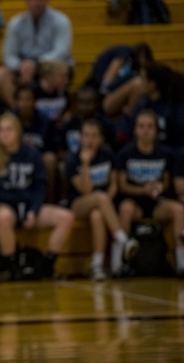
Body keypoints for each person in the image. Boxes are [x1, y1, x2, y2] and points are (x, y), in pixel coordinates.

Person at [0, 112, 74, 280]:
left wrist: (33, 210)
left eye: (9, 129)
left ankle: (48, 265)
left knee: (66, 217)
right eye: (0, 130)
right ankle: (11, 267)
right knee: (5, 216)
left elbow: (40, 186)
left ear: (18, 131)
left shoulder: (32, 154)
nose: (5, 134)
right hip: (3, 205)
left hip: (29, 205)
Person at [66, 119, 138, 281]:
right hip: (79, 204)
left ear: (100, 139)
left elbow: (113, 185)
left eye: (94, 136)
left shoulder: (108, 156)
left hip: (102, 203)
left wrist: (106, 202)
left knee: (98, 215)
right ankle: (123, 240)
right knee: (99, 197)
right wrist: (85, 164)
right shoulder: (73, 159)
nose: (89, 140)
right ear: (80, 138)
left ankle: (97, 265)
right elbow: (86, 190)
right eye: (86, 136)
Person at [116, 110, 184, 276]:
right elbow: (122, 185)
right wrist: (142, 190)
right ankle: (118, 264)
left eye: (149, 127)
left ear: (156, 131)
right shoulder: (126, 153)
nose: (145, 130)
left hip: (156, 202)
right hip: (135, 200)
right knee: (125, 209)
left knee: (178, 210)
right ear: (135, 130)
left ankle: (181, 263)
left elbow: (167, 181)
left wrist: (160, 187)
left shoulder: (165, 153)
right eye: (141, 126)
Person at [0, 0, 73, 107]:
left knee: (57, 70)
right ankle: (19, 110)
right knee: (0, 74)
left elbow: (61, 51)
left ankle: (55, 111)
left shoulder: (61, 21)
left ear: (47, 0)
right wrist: (21, 66)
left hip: (49, 65)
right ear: (26, 0)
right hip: (24, 66)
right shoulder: (16, 22)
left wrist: (35, 64)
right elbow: (8, 55)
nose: (35, 3)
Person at [13, 86, 58, 203]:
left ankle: (48, 201)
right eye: (21, 99)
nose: (25, 103)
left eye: (28, 99)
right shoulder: (10, 120)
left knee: (50, 159)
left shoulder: (45, 122)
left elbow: (52, 148)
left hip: (38, 160)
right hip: (14, 160)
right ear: (16, 102)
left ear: (35, 102)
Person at [130, 64, 184, 149]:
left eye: (142, 78)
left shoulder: (175, 107)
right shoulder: (142, 104)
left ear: (152, 84)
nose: (139, 82)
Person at [61, 86, 116, 154]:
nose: (84, 106)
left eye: (89, 103)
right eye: (81, 102)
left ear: (96, 104)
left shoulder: (106, 125)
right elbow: (62, 150)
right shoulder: (69, 125)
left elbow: (110, 149)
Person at [32, 60, 70, 126]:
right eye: (62, 76)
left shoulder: (64, 93)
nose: (66, 81)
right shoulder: (32, 92)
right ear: (49, 77)